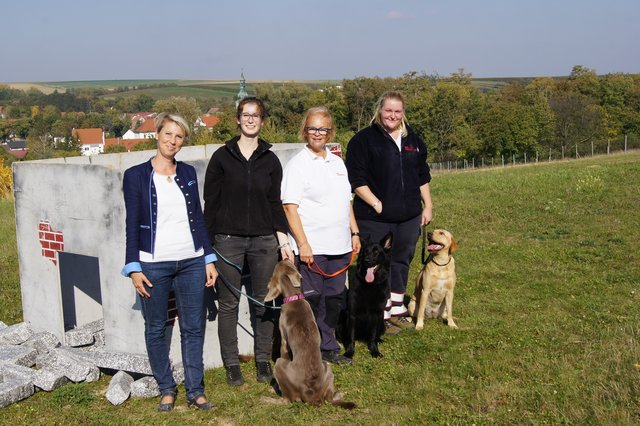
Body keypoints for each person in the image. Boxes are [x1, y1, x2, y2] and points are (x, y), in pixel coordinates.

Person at [121, 113, 218, 411]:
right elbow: (132, 222)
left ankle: (195, 391)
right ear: (157, 134)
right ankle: (166, 389)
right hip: (153, 264)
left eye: (178, 137)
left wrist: (208, 258)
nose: (172, 141)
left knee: (193, 327)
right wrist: (133, 266)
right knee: (156, 327)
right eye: (168, 134)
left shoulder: (188, 172)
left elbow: (198, 220)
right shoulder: (136, 175)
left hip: (190, 260)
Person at [203, 97, 293, 386]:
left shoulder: (270, 159)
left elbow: (275, 202)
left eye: (256, 115)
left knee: (264, 302)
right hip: (227, 241)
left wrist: (283, 239)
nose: (251, 120)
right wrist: (208, 247)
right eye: (246, 115)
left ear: (262, 121)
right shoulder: (221, 157)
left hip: (264, 241)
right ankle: (231, 363)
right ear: (238, 119)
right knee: (229, 304)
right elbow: (211, 204)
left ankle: (263, 360)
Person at [345, 91, 433, 335]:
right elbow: (355, 178)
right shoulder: (363, 140)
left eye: (397, 111)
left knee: (402, 259)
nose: (393, 115)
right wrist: (375, 203)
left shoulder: (412, 139)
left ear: (402, 113)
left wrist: (428, 205)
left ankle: (396, 308)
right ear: (379, 111)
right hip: (374, 217)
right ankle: (378, 310)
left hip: (408, 216)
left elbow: (421, 175)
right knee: (373, 264)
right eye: (388, 111)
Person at [281, 106, 361, 365]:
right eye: (313, 128)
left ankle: (328, 347)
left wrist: (355, 232)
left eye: (323, 129)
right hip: (312, 249)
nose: (318, 133)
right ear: (305, 131)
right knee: (312, 302)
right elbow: (289, 207)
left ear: (330, 132)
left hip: (340, 247)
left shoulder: (338, 162)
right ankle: (309, 350)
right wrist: (303, 244)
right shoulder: (297, 164)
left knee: (334, 299)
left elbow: (345, 201)